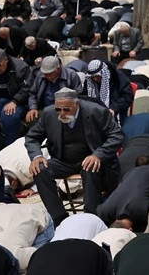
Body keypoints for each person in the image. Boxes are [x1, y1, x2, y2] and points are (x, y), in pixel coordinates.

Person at [25, 88, 123, 224]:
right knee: (40, 169)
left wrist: (98, 155)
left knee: (90, 168)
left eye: (66, 109)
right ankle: (59, 217)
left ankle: (91, 217)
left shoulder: (96, 111)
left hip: (90, 159)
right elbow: (32, 137)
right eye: (58, 109)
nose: (62, 113)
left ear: (77, 104)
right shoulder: (49, 113)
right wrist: (36, 156)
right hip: (62, 161)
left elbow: (117, 135)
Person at [0, 48, 30, 145]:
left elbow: (28, 88)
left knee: (9, 118)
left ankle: (9, 146)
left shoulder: (21, 67)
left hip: (17, 101)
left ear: (6, 59)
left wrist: (15, 101)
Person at [25, 56, 83, 122]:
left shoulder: (71, 75)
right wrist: (33, 108)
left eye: (50, 74)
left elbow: (78, 96)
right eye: (45, 74)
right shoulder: (40, 75)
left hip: (64, 109)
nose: (48, 77)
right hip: (44, 108)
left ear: (58, 69)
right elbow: (33, 93)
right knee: (32, 119)